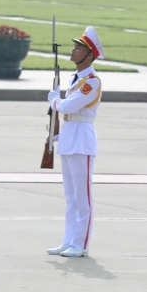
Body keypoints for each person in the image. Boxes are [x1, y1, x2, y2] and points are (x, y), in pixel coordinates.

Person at [47, 27, 103, 259]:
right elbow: (69, 112)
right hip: (70, 138)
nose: (73, 51)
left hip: (82, 139)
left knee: (83, 197)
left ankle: (80, 244)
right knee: (70, 197)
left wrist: (55, 101)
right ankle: (68, 240)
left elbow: (68, 107)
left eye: (78, 48)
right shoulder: (75, 79)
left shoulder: (92, 82)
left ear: (89, 55)